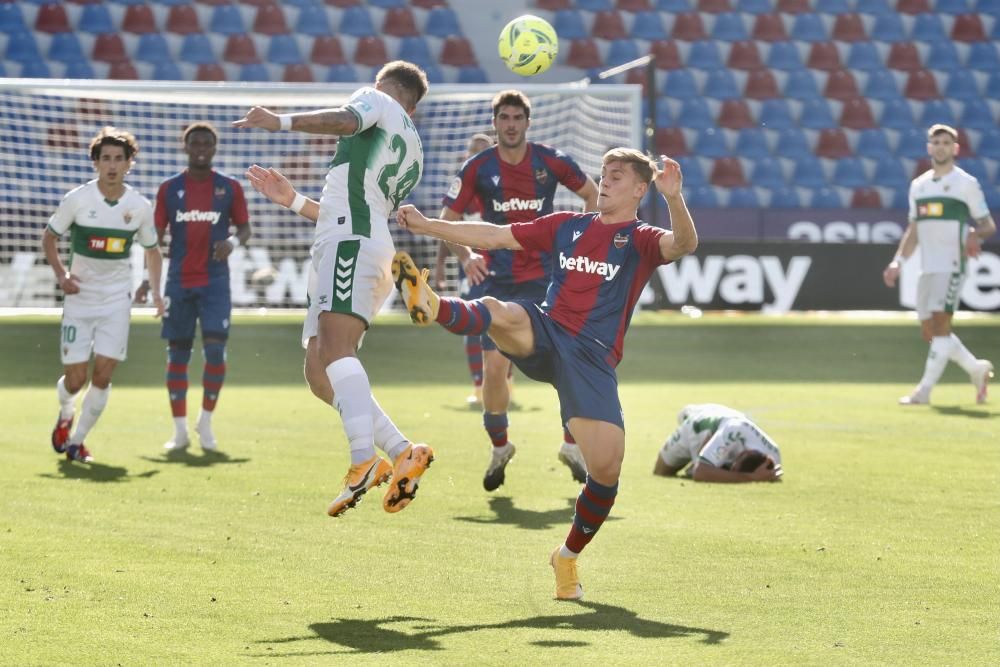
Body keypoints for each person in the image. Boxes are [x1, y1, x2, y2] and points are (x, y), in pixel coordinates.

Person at [392, 149, 697, 600]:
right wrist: (428, 225)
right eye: (603, 174)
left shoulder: (640, 238)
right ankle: (433, 305)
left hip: (591, 359)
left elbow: (684, 245)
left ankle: (566, 557)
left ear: (639, 188)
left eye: (616, 177)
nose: (605, 182)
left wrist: (675, 200)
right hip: (547, 330)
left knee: (607, 471)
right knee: (499, 311)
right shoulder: (567, 226)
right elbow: (494, 235)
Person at [233, 60, 434, 517]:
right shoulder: (414, 150)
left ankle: (363, 457)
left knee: (338, 350)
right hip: (357, 239)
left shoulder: (377, 99)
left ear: (387, 88)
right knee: (319, 370)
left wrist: (279, 122)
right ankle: (402, 451)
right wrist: (293, 200)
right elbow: (353, 202)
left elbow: (346, 119)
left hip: (351, 242)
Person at [438, 90, 599, 491]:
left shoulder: (551, 160)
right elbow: (447, 218)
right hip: (496, 278)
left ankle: (571, 445)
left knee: (566, 359)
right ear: (495, 124)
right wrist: (465, 257)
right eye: (503, 118)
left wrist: (579, 241)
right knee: (495, 367)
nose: (510, 124)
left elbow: (592, 195)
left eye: (517, 118)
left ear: (528, 122)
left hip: (545, 276)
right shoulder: (478, 166)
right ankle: (500, 446)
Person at [43, 126, 163, 463]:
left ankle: (76, 442)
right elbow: (49, 238)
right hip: (79, 299)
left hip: (115, 300)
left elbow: (153, 251)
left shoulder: (138, 206)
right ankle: (66, 411)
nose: (112, 165)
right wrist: (61, 275)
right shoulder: (78, 199)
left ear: (129, 164)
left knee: (104, 374)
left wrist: (156, 292)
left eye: (119, 159)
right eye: (105, 158)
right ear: (95, 163)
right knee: (76, 379)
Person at [141, 122, 251, 453]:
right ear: (185, 147)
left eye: (207, 143)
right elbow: (154, 240)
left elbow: (245, 229)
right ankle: (179, 432)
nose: (201, 147)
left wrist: (231, 241)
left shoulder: (229, 188)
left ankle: (205, 422)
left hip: (215, 283)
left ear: (215, 149)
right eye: (195, 143)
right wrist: (148, 281)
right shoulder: (168, 189)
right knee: (177, 355)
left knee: (215, 351)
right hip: (178, 282)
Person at [883, 124, 996, 405]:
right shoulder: (919, 186)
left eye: (947, 142)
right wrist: (897, 262)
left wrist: (973, 233)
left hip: (953, 263)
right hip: (927, 266)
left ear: (955, 149)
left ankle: (924, 391)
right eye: (936, 142)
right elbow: (914, 230)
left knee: (942, 324)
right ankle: (976, 369)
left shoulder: (965, 184)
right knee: (930, 332)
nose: (941, 147)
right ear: (929, 147)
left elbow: (988, 225)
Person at [432, 132, 493, 407]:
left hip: (504, 265)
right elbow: (449, 228)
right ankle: (479, 387)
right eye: (473, 150)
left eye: (483, 150)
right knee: (473, 325)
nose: (477, 155)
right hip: (470, 266)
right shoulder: (463, 187)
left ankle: (504, 384)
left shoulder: (503, 184)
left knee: (506, 325)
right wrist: (440, 264)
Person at [653, 404, 783, 483]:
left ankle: (708, 459)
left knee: (713, 470)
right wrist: (752, 478)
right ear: (745, 451)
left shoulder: (774, 455)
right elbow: (700, 473)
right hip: (696, 426)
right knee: (661, 472)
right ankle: (688, 412)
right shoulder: (732, 433)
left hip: (723, 419)